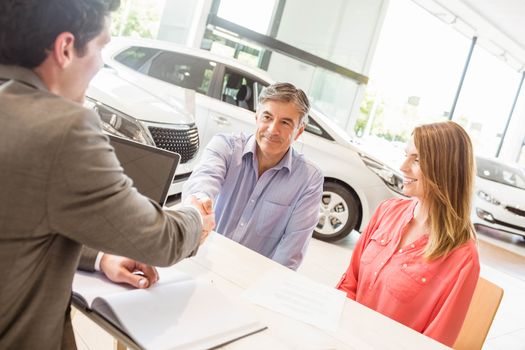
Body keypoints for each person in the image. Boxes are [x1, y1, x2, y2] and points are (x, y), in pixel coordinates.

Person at [0, 1, 214, 349]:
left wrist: (99, 258)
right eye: (101, 47)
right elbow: (161, 239)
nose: (101, 63)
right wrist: (194, 215)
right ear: (65, 48)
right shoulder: (64, 129)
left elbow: (19, 221)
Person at [336, 121, 480, 347]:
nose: (403, 166)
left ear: (445, 169)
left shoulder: (462, 257)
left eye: (418, 160)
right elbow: (349, 283)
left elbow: (434, 343)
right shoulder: (386, 211)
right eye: (406, 155)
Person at [182, 82, 324, 270]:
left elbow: (290, 253)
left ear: (299, 131)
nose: (273, 129)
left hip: (249, 278)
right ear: (257, 118)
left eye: (285, 122)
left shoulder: (308, 179)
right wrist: (200, 202)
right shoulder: (225, 147)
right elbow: (203, 182)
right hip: (200, 261)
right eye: (267, 117)